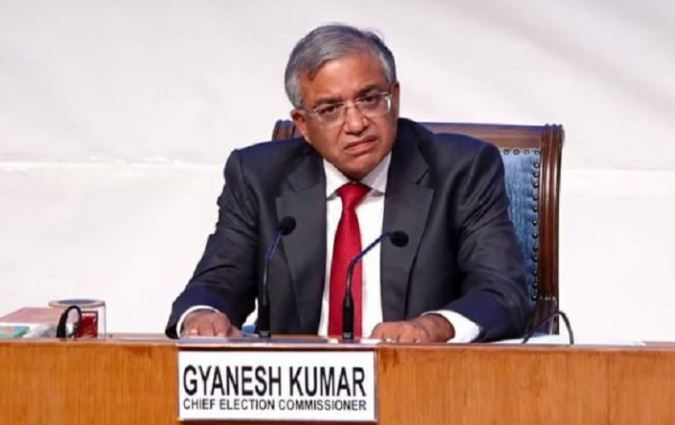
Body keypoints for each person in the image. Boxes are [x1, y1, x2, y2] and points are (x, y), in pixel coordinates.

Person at [166, 24, 530, 342]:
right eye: (330, 110)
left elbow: (502, 293)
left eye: (369, 99)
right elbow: (218, 283)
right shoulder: (258, 178)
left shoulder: (462, 170)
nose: (356, 124)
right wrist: (202, 317)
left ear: (395, 98)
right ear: (303, 124)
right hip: (299, 389)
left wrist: (433, 327)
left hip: (420, 382)